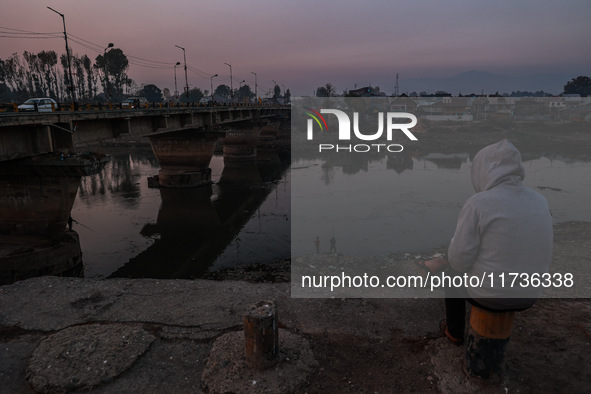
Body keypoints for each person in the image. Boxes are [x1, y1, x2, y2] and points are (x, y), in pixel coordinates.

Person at [438, 140, 553, 345]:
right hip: (531, 294)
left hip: (489, 296)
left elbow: (458, 260)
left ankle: (454, 332)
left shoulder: (479, 203)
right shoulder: (540, 200)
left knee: (450, 276)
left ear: (482, 170)